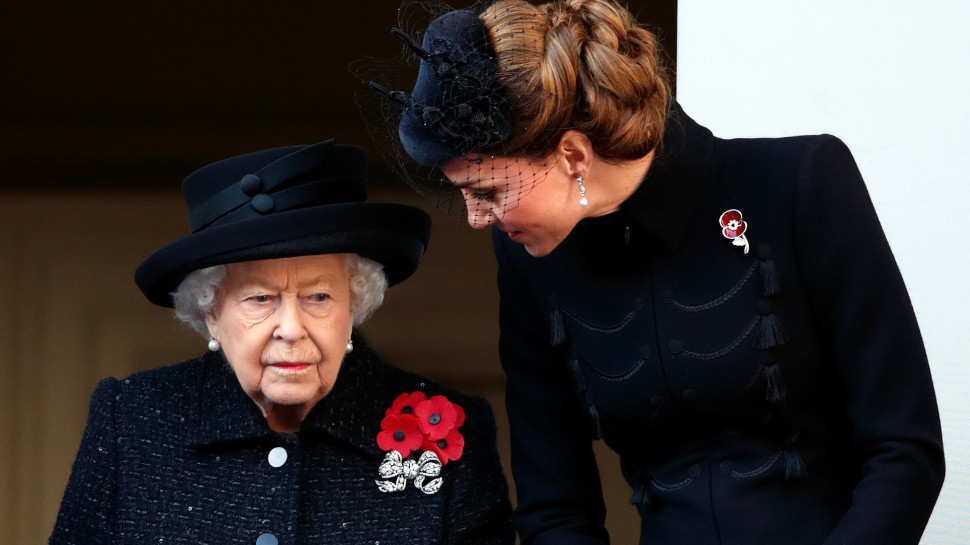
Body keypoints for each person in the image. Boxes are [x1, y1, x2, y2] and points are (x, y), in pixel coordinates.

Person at [364, 1, 946, 544]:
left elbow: (904, 449)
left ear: (572, 155)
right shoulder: (529, 260)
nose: (474, 218)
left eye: (489, 191)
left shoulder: (799, 182)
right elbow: (554, 508)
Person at [49, 139, 514, 545]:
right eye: (260, 298)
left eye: (318, 296)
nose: (291, 329)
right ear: (211, 312)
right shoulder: (131, 422)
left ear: (354, 304)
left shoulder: (454, 431)